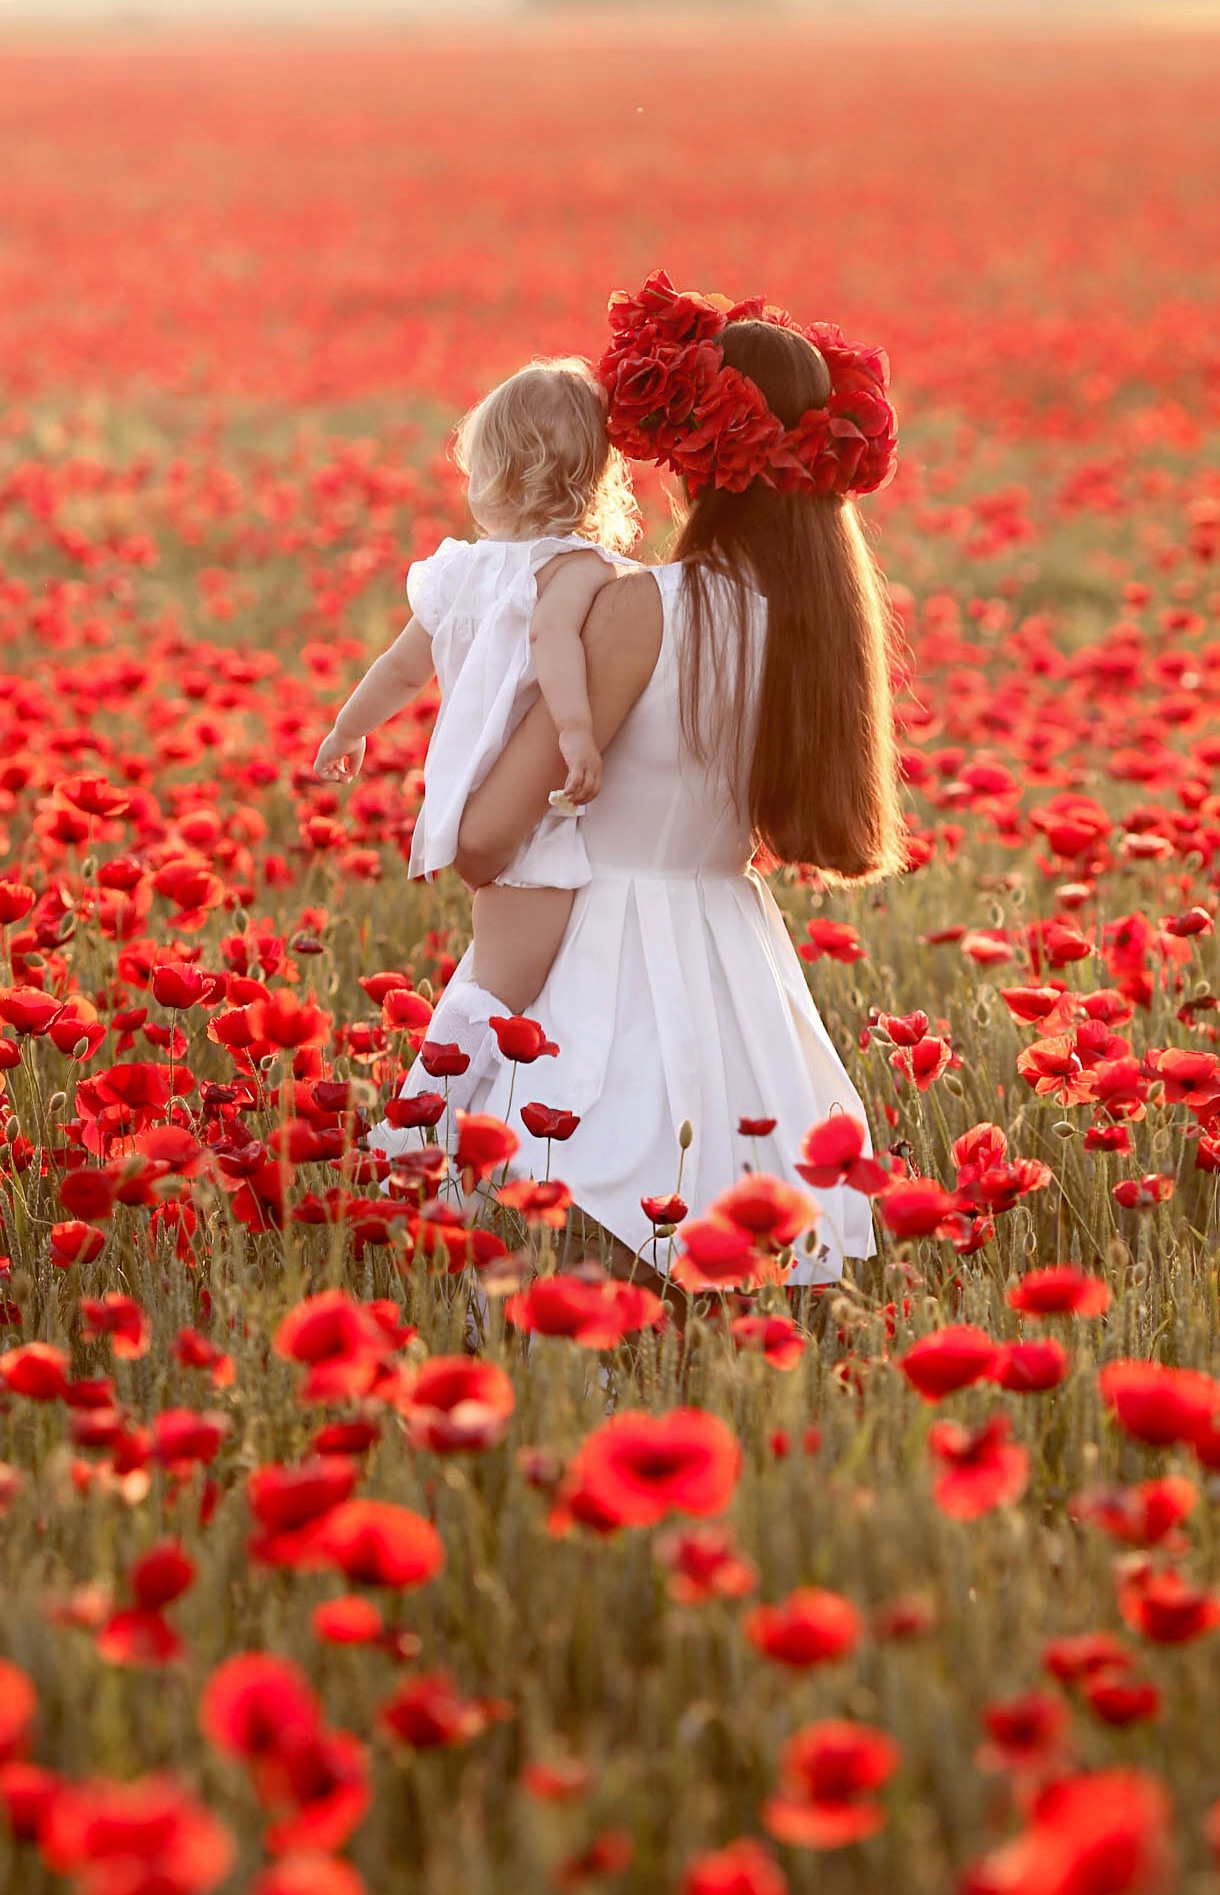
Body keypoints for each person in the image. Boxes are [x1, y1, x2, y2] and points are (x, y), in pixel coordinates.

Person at [373, 271, 907, 1288]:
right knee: (727, 1266)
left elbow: (488, 835)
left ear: (694, 453)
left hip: (595, 958)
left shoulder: (640, 608)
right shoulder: (819, 630)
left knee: (541, 1258)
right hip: (733, 962)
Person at [314, 357, 639, 1107]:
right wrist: (578, 735)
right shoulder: (578, 568)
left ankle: (455, 1127)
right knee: (501, 999)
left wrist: (346, 728)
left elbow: (400, 670)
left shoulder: (459, 571)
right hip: (537, 814)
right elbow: (557, 647)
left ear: (491, 473)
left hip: (475, 801)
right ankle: (432, 1126)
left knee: (502, 977)